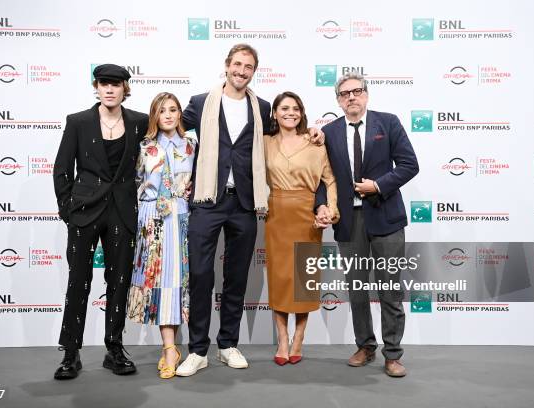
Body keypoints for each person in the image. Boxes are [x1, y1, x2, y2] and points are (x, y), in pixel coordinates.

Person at [175, 44, 325, 377]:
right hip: (206, 201)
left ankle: (228, 344)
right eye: (238, 64)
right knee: (200, 276)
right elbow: (170, 131)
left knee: (236, 277)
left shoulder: (262, 107)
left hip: (244, 203)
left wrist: (313, 130)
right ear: (227, 66)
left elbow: (287, 134)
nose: (242, 71)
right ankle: (197, 350)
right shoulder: (201, 103)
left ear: (254, 72)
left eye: (249, 67)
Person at [52, 64, 148, 380]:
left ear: (125, 88)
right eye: (103, 84)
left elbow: (175, 129)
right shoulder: (78, 122)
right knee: (78, 281)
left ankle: (114, 349)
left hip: (122, 211)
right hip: (85, 211)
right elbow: (62, 169)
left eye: (115, 84)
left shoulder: (139, 122)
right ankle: (70, 352)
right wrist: (68, 211)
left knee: (119, 281)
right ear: (96, 87)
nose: (109, 89)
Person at [321, 72, 419, 377]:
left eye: (357, 91)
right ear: (338, 100)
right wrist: (321, 204)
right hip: (349, 222)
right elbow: (323, 178)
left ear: (366, 94)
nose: (351, 97)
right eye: (345, 93)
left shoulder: (388, 122)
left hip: (386, 217)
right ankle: (365, 345)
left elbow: (409, 165)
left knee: (389, 288)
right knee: (357, 288)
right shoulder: (329, 132)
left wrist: (378, 186)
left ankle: (393, 354)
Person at [264, 92, 338, 366]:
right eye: (284, 108)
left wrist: (329, 209)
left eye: (296, 108)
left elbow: (329, 180)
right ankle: (282, 340)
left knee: (303, 281)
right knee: (281, 280)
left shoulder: (315, 141)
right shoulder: (265, 143)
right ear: (274, 113)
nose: (290, 113)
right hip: (276, 214)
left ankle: (299, 338)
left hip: (307, 215)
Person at [127, 92, 196, 379]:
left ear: (180, 114)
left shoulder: (192, 144)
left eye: (173, 109)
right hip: (151, 218)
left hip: (180, 217)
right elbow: (132, 182)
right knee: (156, 280)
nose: (168, 115)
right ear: (154, 115)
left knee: (177, 282)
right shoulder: (144, 146)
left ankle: (171, 348)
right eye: (161, 110)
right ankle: (169, 348)